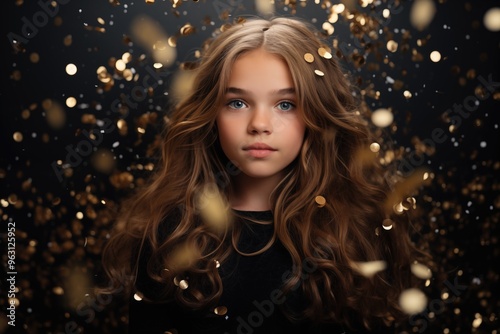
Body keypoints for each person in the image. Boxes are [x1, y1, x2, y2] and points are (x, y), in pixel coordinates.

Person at [101, 17, 428, 333]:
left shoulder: (359, 228)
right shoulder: (168, 234)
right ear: (211, 112)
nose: (259, 124)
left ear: (318, 112)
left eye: (286, 104)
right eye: (238, 103)